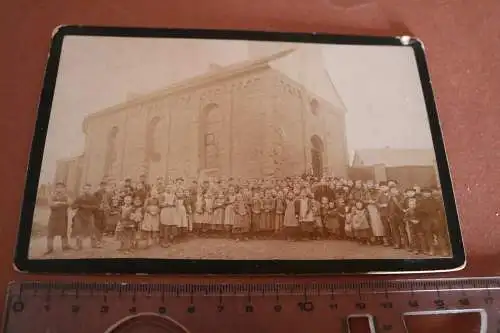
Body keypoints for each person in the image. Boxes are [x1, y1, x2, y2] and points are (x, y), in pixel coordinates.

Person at [45, 182, 71, 254]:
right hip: (54, 218)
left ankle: (65, 246)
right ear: (56, 188)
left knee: (64, 232)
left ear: (64, 189)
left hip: (63, 217)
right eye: (58, 187)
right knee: (51, 233)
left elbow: (69, 203)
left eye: (61, 188)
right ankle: (50, 248)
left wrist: (58, 203)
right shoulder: (52, 196)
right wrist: (62, 203)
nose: (59, 189)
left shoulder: (66, 196)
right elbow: (51, 205)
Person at [71, 184, 99, 250]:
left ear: (90, 190)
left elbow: (97, 206)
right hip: (79, 216)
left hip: (89, 215)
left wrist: (86, 206)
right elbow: (72, 206)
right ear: (83, 189)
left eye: (88, 189)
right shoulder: (79, 197)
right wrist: (78, 205)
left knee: (92, 229)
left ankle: (94, 244)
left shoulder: (93, 197)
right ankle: (78, 245)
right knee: (78, 230)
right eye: (85, 189)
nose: (87, 190)